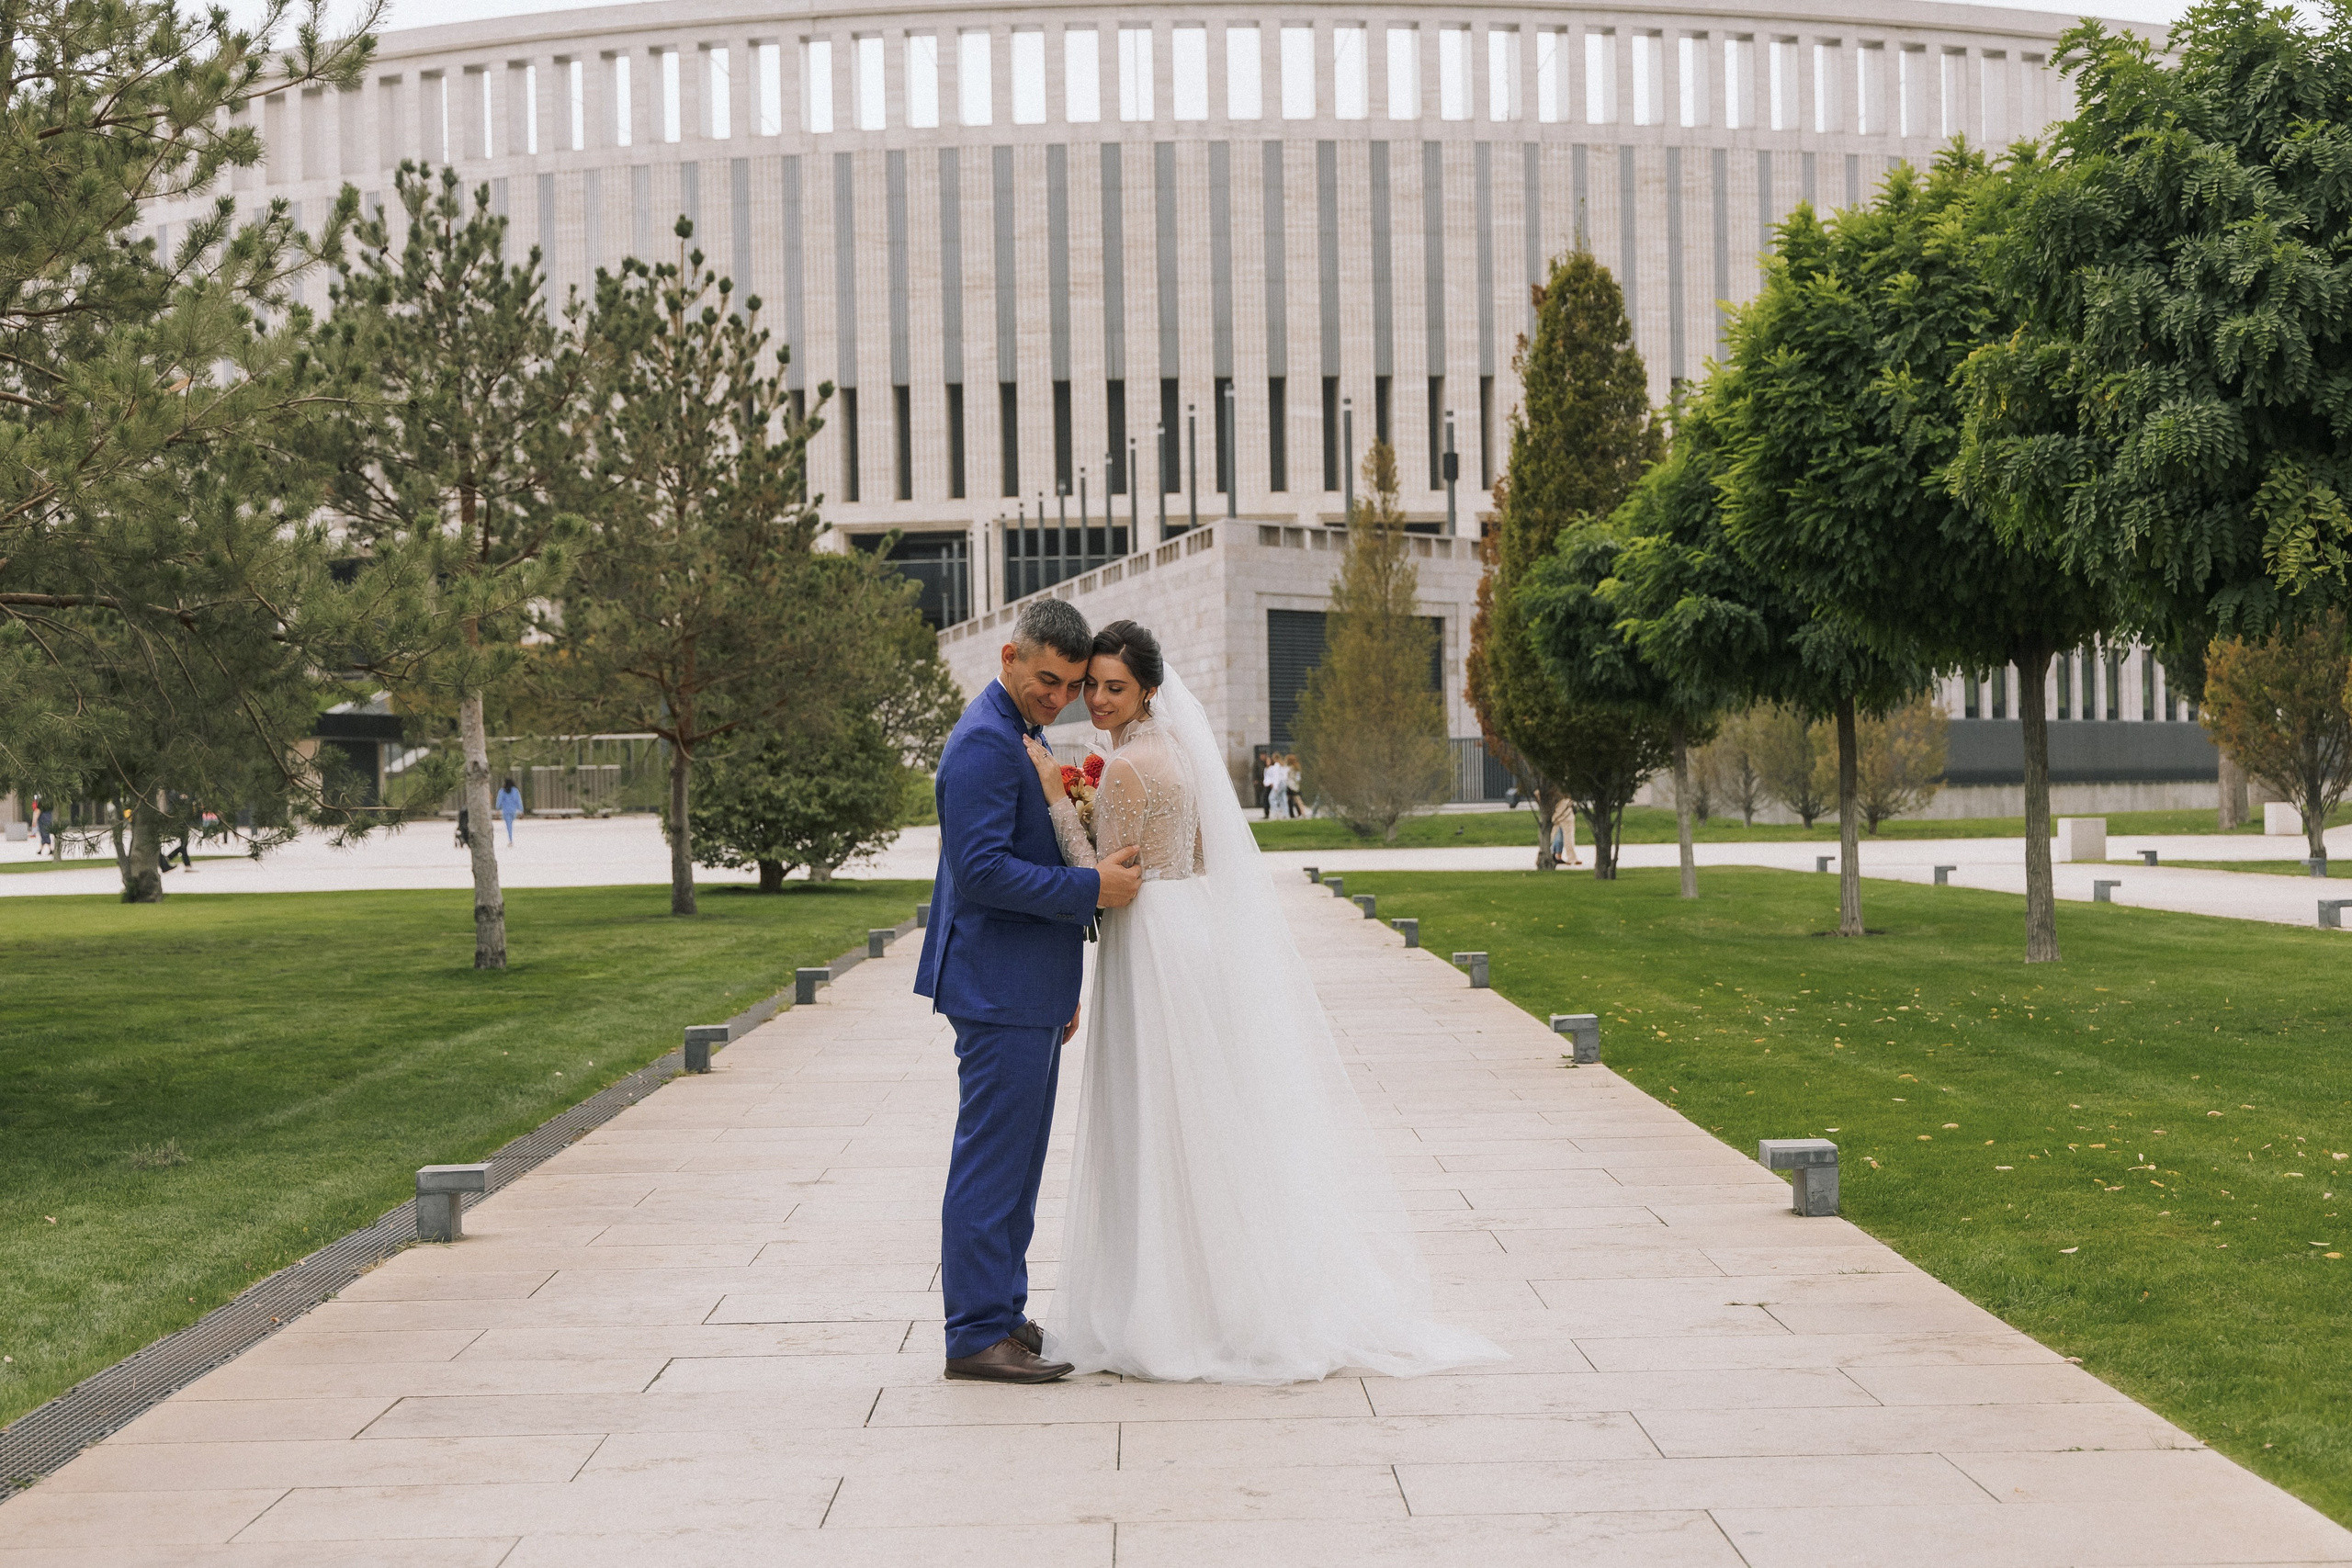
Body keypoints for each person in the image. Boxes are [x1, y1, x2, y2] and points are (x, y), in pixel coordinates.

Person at [1024, 619, 1503, 1383]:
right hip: (1189, 930)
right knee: (1199, 1111)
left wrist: (1058, 801)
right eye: (1092, 687)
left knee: (1153, 1111)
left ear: (1148, 687)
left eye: (1115, 687)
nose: (1099, 700)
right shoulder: (1178, 754)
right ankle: (1219, 1292)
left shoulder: (1124, 772)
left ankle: (1163, 1304)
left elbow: (1103, 878)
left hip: (1147, 938)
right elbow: (1206, 851)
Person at [914, 599, 1146, 1385]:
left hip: (1027, 985)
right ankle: (974, 1332)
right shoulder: (982, 743)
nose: (1058, 695)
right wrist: (1091, 885)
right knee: (991, 1161)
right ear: (1009, 657)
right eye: (1047, 677)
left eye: (1072, 683)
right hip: (993, 985)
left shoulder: (1023, 729)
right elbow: (980, 873)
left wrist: (1061, 981)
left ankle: (1003, 1315)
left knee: (1017, 1163)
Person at [1550, 796, 1582, 867]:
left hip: (1555, 810)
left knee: (1554, 834)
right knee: (1568, 836)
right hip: (1565, 809)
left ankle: (1552, 855)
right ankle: (1571, 858)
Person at [495, 778, 524, 846]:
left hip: (506, 811)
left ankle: (510, 839)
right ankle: (510, 839)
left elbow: (499, 800)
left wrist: (498, 808)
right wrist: (521, 810)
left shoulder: (502, 791)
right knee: (510, 824)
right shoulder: (515, 791)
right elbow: (518, 801)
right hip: (513, 811)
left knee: (508, 825)